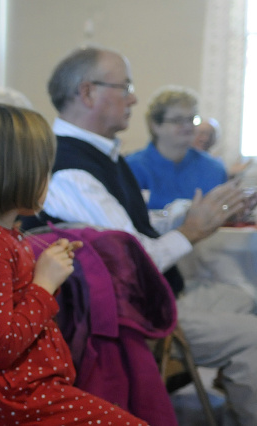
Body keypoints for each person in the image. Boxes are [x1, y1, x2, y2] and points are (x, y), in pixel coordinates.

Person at [33, 46, 257, 425]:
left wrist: (198, 213)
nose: (134, 97)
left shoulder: (97, 154)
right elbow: (131, 261)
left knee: (244, 294)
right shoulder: (70, 171)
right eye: (125, 86)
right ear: (87, 93)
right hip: (132, 317)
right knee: (253, 336)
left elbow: (129, 229)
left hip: (151, 296)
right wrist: (190, 230)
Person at [0, 103, 142, 425]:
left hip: (20, 387)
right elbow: (1, 346)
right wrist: (44, 283)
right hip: (5, 395)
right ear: (16, 172)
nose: (48, 179)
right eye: (44, 169)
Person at [126, 87, 226, 210]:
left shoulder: (213, 169)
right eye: (178, 120)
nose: (188, 126)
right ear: (155, 125)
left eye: (192, 119)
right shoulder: (132, 168)